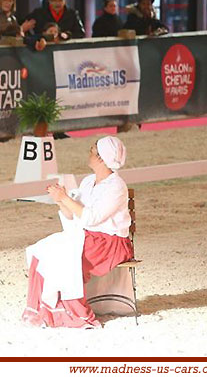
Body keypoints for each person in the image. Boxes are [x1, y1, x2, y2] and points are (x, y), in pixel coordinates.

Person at [22, 136, 133, 329]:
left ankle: (76, 313)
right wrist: (60, 200)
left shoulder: (116, 186)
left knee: (64, 253)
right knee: (43, 249)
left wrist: (66, 198)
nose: (88, 153)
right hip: (89, 238)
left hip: (109, 244)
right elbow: (73, 216)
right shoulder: (89, 182)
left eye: (92, 150)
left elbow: (91, 218)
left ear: (100, 158)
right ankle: (43, 309)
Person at [21, 0, 85, 41]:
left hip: (65, 48)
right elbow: (23, 25)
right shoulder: (39, 13)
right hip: (43, 47)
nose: (57, 3)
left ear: (65, 1)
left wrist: (67, 35)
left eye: (60, 0)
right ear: (49, 1)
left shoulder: (72, 14)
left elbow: (80, 33)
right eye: (54, 0)